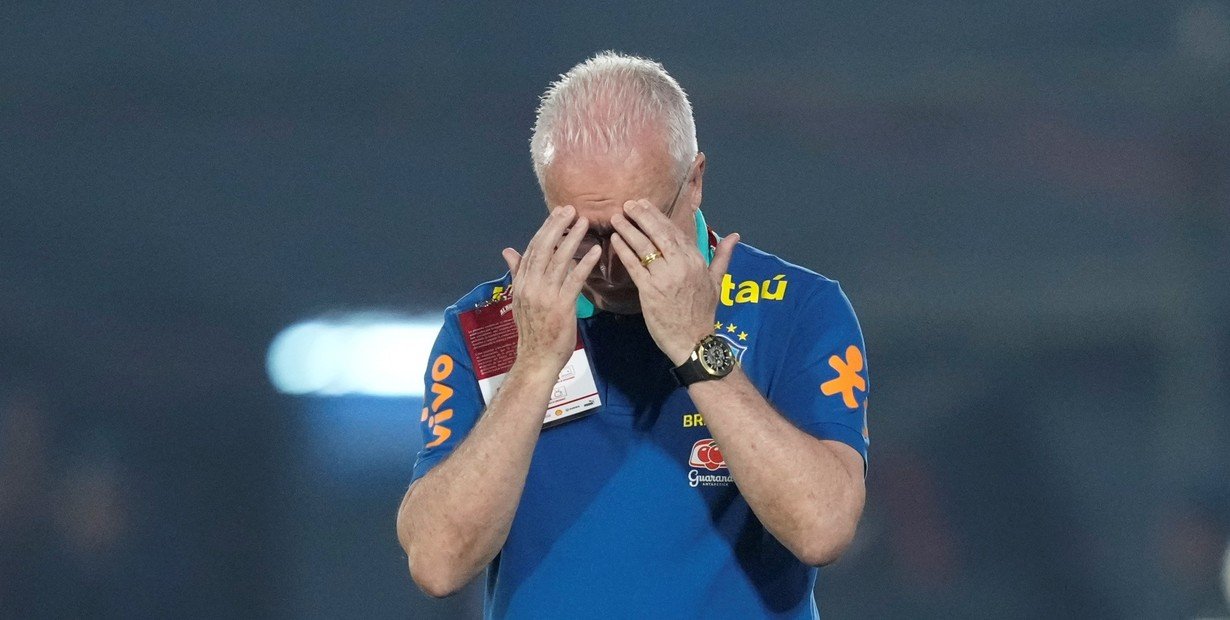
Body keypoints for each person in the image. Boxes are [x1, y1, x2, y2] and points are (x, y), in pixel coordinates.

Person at [396, 51, 869, 619]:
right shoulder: (487, 327)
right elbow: (438, 564)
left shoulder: (797, 308)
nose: (609, 265)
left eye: (634, 227)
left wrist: (698, 347)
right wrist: (534, 367)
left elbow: (823, 528)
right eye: (582, 231)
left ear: (694, 181)